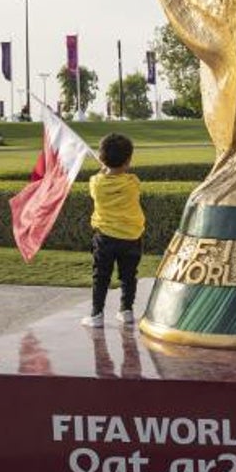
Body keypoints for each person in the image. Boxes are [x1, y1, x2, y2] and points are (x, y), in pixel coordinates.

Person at [81, 133, 145, 328]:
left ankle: (96, 314)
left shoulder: (96, 183)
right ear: (129, 160)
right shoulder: (133, 182)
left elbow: (100, 177)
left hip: (105, 237)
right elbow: (126, 179)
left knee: (101, 276)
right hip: (132, 237)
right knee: (128, 276)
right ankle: (126, 310)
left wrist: (104, 170)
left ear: (101, 158)